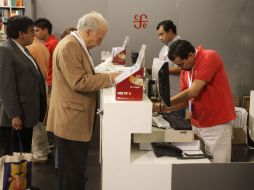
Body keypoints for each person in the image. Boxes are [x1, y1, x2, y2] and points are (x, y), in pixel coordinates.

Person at [46, 11, 119, 190]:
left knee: (75, 170)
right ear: (87, 32)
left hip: (73, 118)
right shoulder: (69, 46)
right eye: (99, 38)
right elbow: (78, 81)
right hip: (70, 121)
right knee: (71, 173)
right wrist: (110, 78)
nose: (99, 43)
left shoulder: (75, 44)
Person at [158, 39, 236, 163]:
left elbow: (193, 92)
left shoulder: (209, 57)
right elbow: (184, 102)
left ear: (190, 55)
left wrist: (165, 102)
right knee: (201, 166)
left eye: (182, 64)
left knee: (219, 168)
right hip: (197, 123)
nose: (180, 68)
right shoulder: (186, 70)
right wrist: (163, 108)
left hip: (216, 124)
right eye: (178, 65)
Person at [0, 15, 47, 155]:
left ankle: (24, 177)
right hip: (17, 116)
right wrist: (14, 115)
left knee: (24, 154)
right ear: (21, 34)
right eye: (32, 31)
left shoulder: (22, 48)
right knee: (15, 158)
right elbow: (6, 86)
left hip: (27, 112)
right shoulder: (5, 50)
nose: (35, 35)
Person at [27, 37, 51, 163]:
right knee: (41, 119)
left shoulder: (30, 47)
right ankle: (44, 149)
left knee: (35, 120)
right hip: (42, 83)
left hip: (36, 85)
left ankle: (40, 153)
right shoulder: (41, 45)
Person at [156, 20, 185, 117]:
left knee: (176, 125)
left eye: (162, 34)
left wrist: (163, 69)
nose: (160, 38)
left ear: (171, 31)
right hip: (166, 94)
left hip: (176, 95)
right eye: (158, 35)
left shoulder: (180, 46)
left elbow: (185, 69)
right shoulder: (165, 48)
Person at [34, 18, 58, 94]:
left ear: (45, 30)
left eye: (37, 30)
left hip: (52, 81)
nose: (35, 33)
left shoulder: (53, 43)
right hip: (47, 81)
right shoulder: (43, 44)